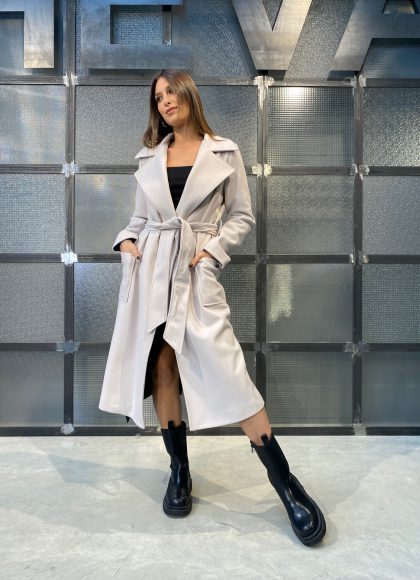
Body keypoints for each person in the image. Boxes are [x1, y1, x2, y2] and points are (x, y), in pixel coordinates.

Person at [99, 69, 326, 547]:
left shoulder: (224, 152)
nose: (164, 101)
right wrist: (126, 242)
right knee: (162, 368)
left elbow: (241, 215)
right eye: (157, 97)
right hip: (151, 274)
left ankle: (287, 485)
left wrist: (211, 252)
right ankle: (179, 472)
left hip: (193, 272)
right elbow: (138, 218)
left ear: (188, 93)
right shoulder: (149, 156)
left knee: (230, 373)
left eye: (170, 92)